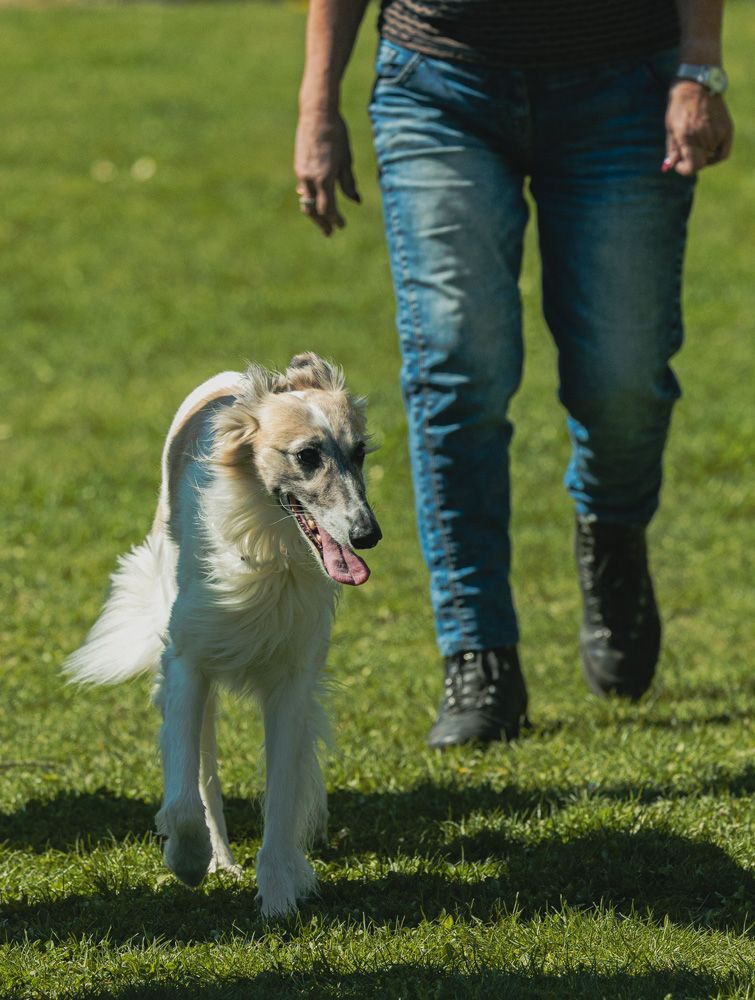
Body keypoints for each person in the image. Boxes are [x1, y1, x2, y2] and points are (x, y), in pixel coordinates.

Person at [294, 1, 734, 747]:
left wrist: (699, 65)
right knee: (456, 365)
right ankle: (477, 651)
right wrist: (317, 103)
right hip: (439, 83)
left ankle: (612, 534)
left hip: (625, 80)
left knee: (622, 375)